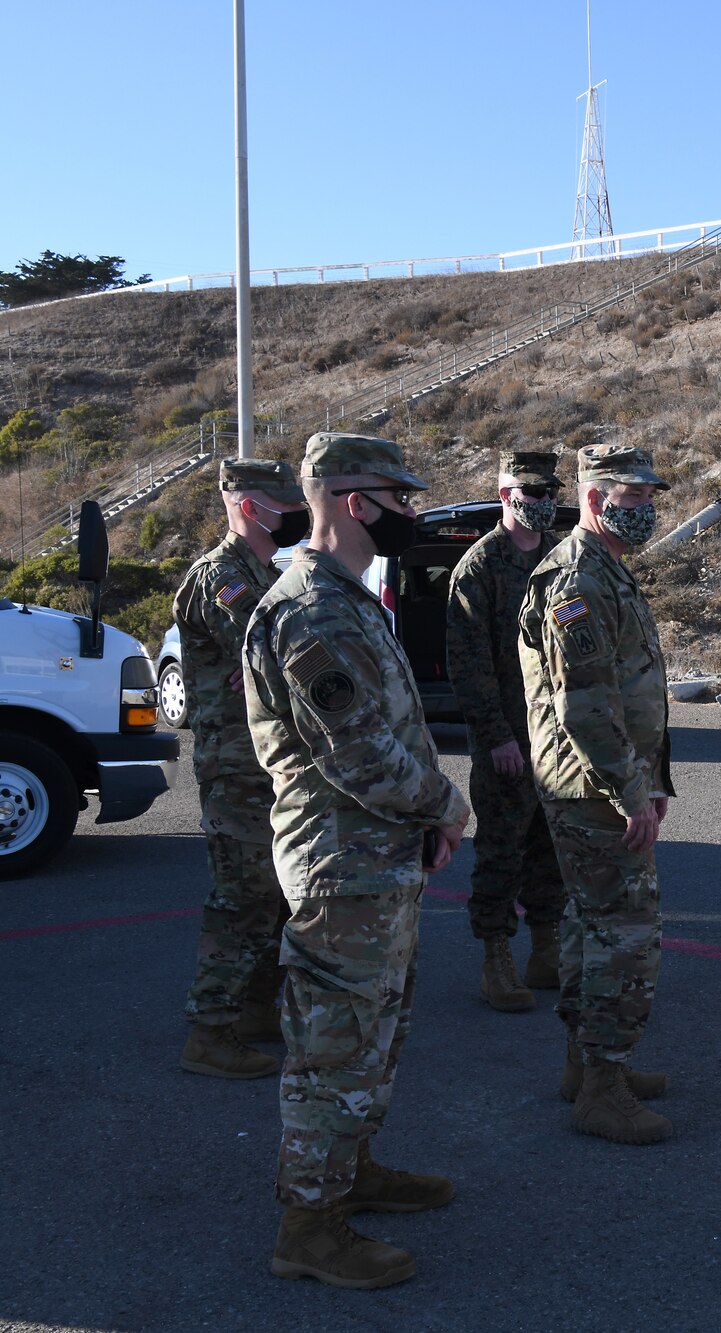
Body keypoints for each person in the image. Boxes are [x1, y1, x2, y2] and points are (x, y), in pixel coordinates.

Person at [243, 432, 471, 1289]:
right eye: (399, 499)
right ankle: (309, 1225)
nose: (411, 514)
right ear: (350, 502)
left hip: (377, 858)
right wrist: (448, 806)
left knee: (374, 1035)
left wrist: (427, 823)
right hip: (341, 868)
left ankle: (351, 1169)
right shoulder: (312, 611)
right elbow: (361, 754)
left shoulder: (346, 597)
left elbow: (393, 731)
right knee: (333, 1048)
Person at [518, 443, 675, 1145]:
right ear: (593, 498)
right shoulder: (576, 579)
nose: (644, 509)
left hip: (607, 782)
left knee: (594, 925)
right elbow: (586, 704)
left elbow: (634, 688)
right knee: (624, 933)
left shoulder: (607, 570)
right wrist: (628, 791)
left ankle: (590, 1066)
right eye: (631, 497)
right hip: (591, 787)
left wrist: (651, 780)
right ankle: (604, 1086)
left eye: (648, 498)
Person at [175, 458, 309, 1080]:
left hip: (269, 759)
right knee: (242, 895)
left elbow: (280, 657)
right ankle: (210, 1030)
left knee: (277, 892)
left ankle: (254, 1009)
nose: (293, 512)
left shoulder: (263, 573)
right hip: (235, 763)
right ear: (244, 505)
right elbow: (278, 654)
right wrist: (267, 665)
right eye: (279, 501)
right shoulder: (221, 576)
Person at [445, 450, 568, 1012]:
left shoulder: (560, 560)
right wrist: (496, 738)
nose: (543, 503)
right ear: (505, 495)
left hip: (557, 737)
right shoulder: (479, 568)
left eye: (550, 494)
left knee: (552, 847)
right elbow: (467, 665)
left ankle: (547, 949)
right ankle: (497, 958)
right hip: (509, 741)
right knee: (502, 851)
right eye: (532, 493)